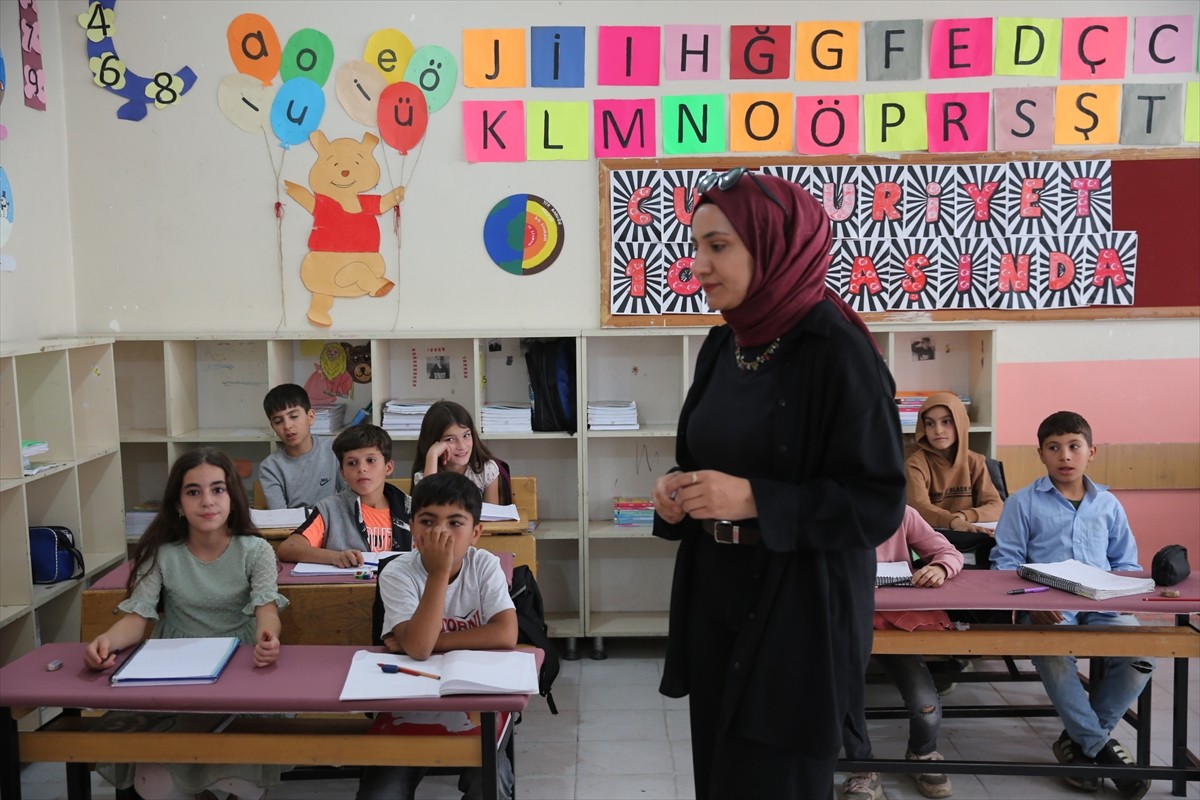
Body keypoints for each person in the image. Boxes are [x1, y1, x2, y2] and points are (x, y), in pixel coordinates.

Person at [650, 168, 907, 800]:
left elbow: (877, 502)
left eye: (719, 245)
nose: (699, 264)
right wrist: (676, 491)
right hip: (717, 597)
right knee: (720, 777)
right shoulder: (723, 346)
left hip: (798, 614)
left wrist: (756, 499)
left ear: (773, 244)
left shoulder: (838, 353)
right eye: (696, 245)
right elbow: (701, 459)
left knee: (775, 782)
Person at [84, 448, 288, 800]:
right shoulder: (163, 552)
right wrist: (107, 642)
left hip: (237, 663)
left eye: (217, 489)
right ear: (178, 504)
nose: (207, 501)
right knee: (156, 780)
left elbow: (266, 610)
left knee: (238, 780)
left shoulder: (256, 550)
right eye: (193, 491)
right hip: (173, 667)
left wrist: (267, 638)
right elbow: (137, 619)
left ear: (233, 498)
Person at [991, 411, 1152, 800]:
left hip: (1102, 604)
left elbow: (1126, 564)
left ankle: (1080, 744)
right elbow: (1005, 565)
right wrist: (1036, 602)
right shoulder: (1022, 503)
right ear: (1041, 454)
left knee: (1141, 655)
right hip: (1048, 606)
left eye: (1074, 446)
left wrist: (1117, 595)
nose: (1065, 455)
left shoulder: (1108, 504)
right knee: (1053, 655)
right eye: (1054, 448)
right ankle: (1103, 752)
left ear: (1091, 452)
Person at [358, 471, 517, 800]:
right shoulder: (398, 572)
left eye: (455, 523)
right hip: (406, 704)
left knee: (492, 785)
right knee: (382, 793)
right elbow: (418, 647)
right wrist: (440, 573)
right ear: (412, 529)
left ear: (476, 533)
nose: (440, 533)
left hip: (476, 704)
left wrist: (433, 642)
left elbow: (505, 634)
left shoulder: (484, 565)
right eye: (428, 522)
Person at [841, 506, 964, 800]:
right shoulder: (827, 510)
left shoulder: (901, 514)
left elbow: (950, 553)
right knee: (844, 700)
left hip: (893, 623)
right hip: (842, 622)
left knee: (926, 706)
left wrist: (939, 568)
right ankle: (862, 767)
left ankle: (922, 753)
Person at [277, 423, 411, 566]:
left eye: (371, 460)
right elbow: (288, 549)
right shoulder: (329, 509)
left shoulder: (409, 508)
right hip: (349, 586)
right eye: (352, 463)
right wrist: (334, 557)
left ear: (388, 467)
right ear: (343, 473)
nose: (362, 468)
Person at [907, 392, 1004, 567]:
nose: (938, 430)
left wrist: (963, 517)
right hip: (928, 545)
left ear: (960, 422)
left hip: (971, 541)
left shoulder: (976, 461)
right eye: (930, 424)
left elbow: (996, 506)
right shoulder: (915, 464)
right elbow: (918, 508)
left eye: (947, 421)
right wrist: (953, 522)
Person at [259, 382, 345, 509]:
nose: (287, 426)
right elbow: (280, 516)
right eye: (278, 421)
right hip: (295, 527)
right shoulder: (270, 468)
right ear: (273, 427)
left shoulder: (334, 449)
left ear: (310, 417)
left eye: (293, 416)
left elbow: (349, 498)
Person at [413, 400, 503, 504]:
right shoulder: (425, 475)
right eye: (450, 439)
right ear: (434, 443)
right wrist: (432, 455)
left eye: (466, 435)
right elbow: (427, 509)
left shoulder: (486, 469)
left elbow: (493, 516)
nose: (462, 446)